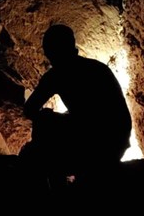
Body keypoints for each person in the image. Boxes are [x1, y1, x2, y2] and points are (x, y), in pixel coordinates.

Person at [21, 25, 132, 180]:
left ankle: (56, 183)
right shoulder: (98, 68)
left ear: (50, 52)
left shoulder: (56, 75)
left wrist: (46, 116)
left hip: (97, 145)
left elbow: (29, 110)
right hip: (117, 142)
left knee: (43, 125)